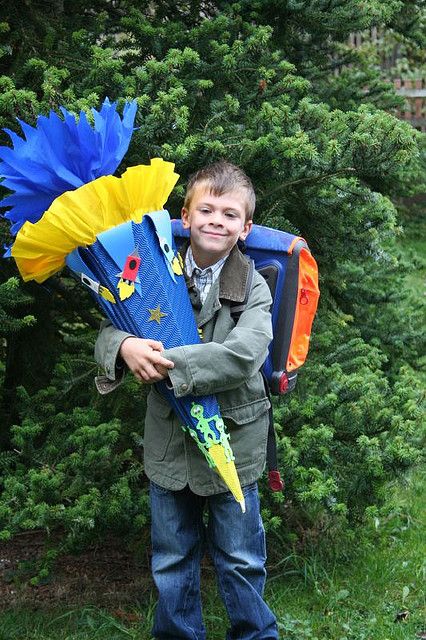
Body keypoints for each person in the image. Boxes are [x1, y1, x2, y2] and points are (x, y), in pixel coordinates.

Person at [94, 161, 279, 639]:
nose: (217, 220)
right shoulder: (154, 270)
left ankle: (255, 634)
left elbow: (243, 354)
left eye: (230, 214)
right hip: (169, 448)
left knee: (239, 558)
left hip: (233, 445)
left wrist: (172, 364)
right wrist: (124, 347)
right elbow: (112, 322)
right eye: (207, 209)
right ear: (186, 215)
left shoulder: (252, 285)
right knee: (172, 558)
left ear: (246, 228)